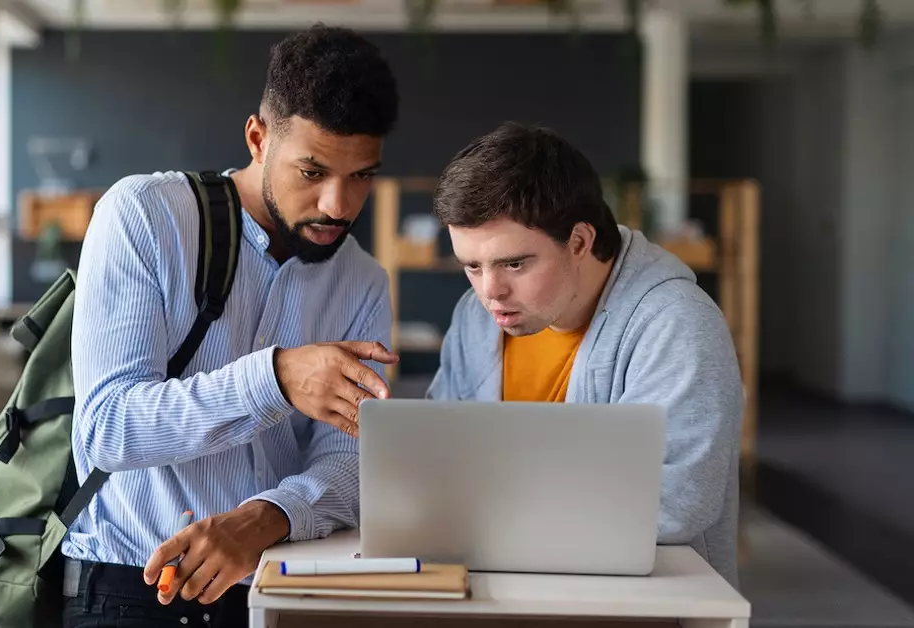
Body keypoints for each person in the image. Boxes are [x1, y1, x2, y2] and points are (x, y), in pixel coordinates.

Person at [63, 24, 401, 628]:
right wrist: (274, 379)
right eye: (312, 171)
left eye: (362, 176)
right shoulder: (144, 216)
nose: (338, 206)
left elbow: (349, 462)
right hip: (133, 588)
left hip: (280, 587)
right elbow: (106, 431)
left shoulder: (364, 282)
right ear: (257, 138)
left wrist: (265, 517)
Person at [426, 122, 743, 586]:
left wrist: (484, 513)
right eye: (472, 266)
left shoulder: (677, 323)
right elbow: (439, 455)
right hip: (499, 583)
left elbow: (675, 503)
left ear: (579, 241)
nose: (490, 291)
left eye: (514, 263)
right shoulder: (478, 318)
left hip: (645, 601)